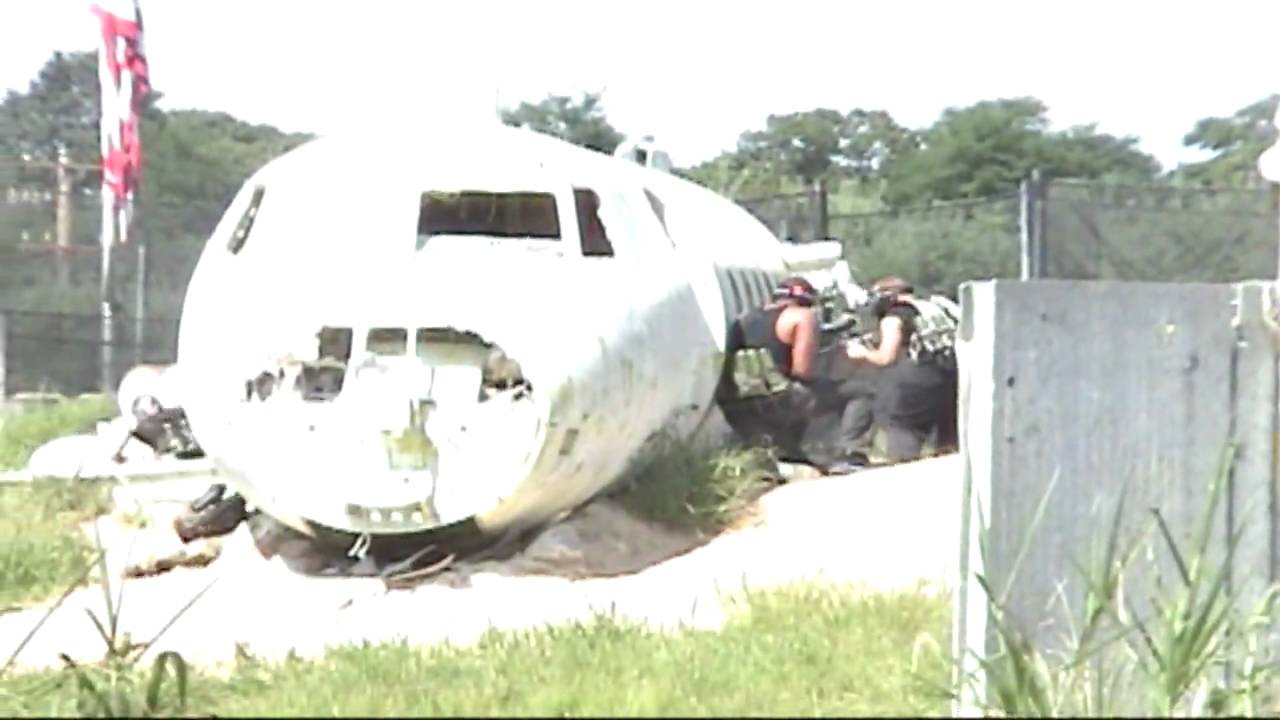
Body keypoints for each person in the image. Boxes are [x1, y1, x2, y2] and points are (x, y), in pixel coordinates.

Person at [719, 276, 871, 474]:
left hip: (738, 404)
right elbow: (802, 371)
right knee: (857, 391)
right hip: (778, 399)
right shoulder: (802, 316)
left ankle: (791, 456)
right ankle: (840, 455)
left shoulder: (744, 318)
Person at [844, 275, 959, 463]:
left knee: (903, 428)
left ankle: (903, 467)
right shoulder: (936, 307)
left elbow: (885, 358)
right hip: (951, 376)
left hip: (918, 381)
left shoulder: (894, 316)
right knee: (948, 441)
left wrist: (862, 353)